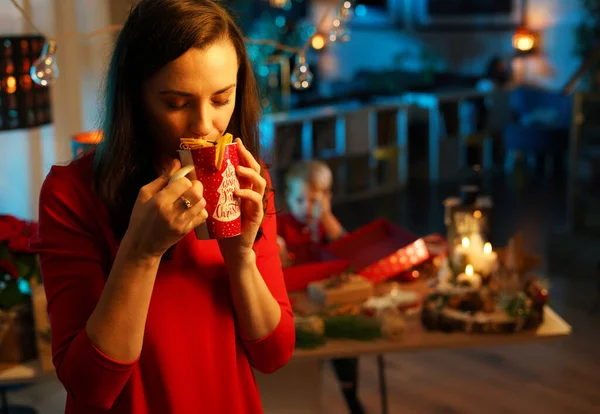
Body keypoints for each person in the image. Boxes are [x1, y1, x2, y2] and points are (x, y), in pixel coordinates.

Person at [31, 1, 294, 413]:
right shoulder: (71, 193)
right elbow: (88, 386)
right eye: (176, 103)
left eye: (221, 98)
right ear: (135, 98)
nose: (205, 125)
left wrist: (241, 257)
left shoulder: (247, 179)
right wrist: (141, 252)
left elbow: (274, 355)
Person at [277, 160, 365, 414]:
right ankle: (303, 399)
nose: (307, 208)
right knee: (303, 356)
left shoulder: (325, 224)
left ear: (327, 199)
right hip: (295, 298)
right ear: (289, 199)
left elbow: (347, 248)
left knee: (345, 343)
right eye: (300, 200)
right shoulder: (283, 224)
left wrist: (326, 217)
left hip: (325, 297)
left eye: (315, 201)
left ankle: (350, 392)